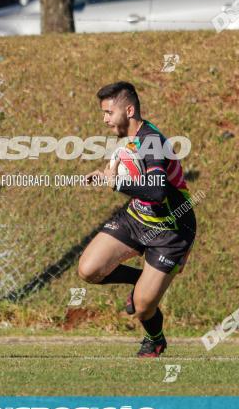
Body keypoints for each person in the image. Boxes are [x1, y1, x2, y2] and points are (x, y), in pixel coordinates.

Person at [79, 81, 196, 357]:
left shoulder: (152, 141)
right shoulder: (132, 140)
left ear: (129, 110)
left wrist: (117, 183)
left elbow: (156, 190)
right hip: (138, 218)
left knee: (144, 307)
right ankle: (139, 280)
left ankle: (155, 339)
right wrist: (109, 175)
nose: (105, 120)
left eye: (109, 112)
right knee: (89, 269)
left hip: (172, 230)